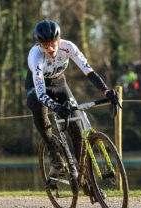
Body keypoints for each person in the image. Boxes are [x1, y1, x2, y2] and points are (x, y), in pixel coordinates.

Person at [25, 20, 119, 179]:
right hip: (37, 88)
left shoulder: (68, 47)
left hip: (59, 84)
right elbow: (41, 94)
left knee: (77, 130)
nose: (50, 49)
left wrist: (106, 91)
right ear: (39, 44)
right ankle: (55, 155)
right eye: (45, 45)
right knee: (41, 115)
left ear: (59, 40)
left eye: (53, 44)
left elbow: (89, 72)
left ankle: (87, 180)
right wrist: (55, 106)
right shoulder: (35, 56)